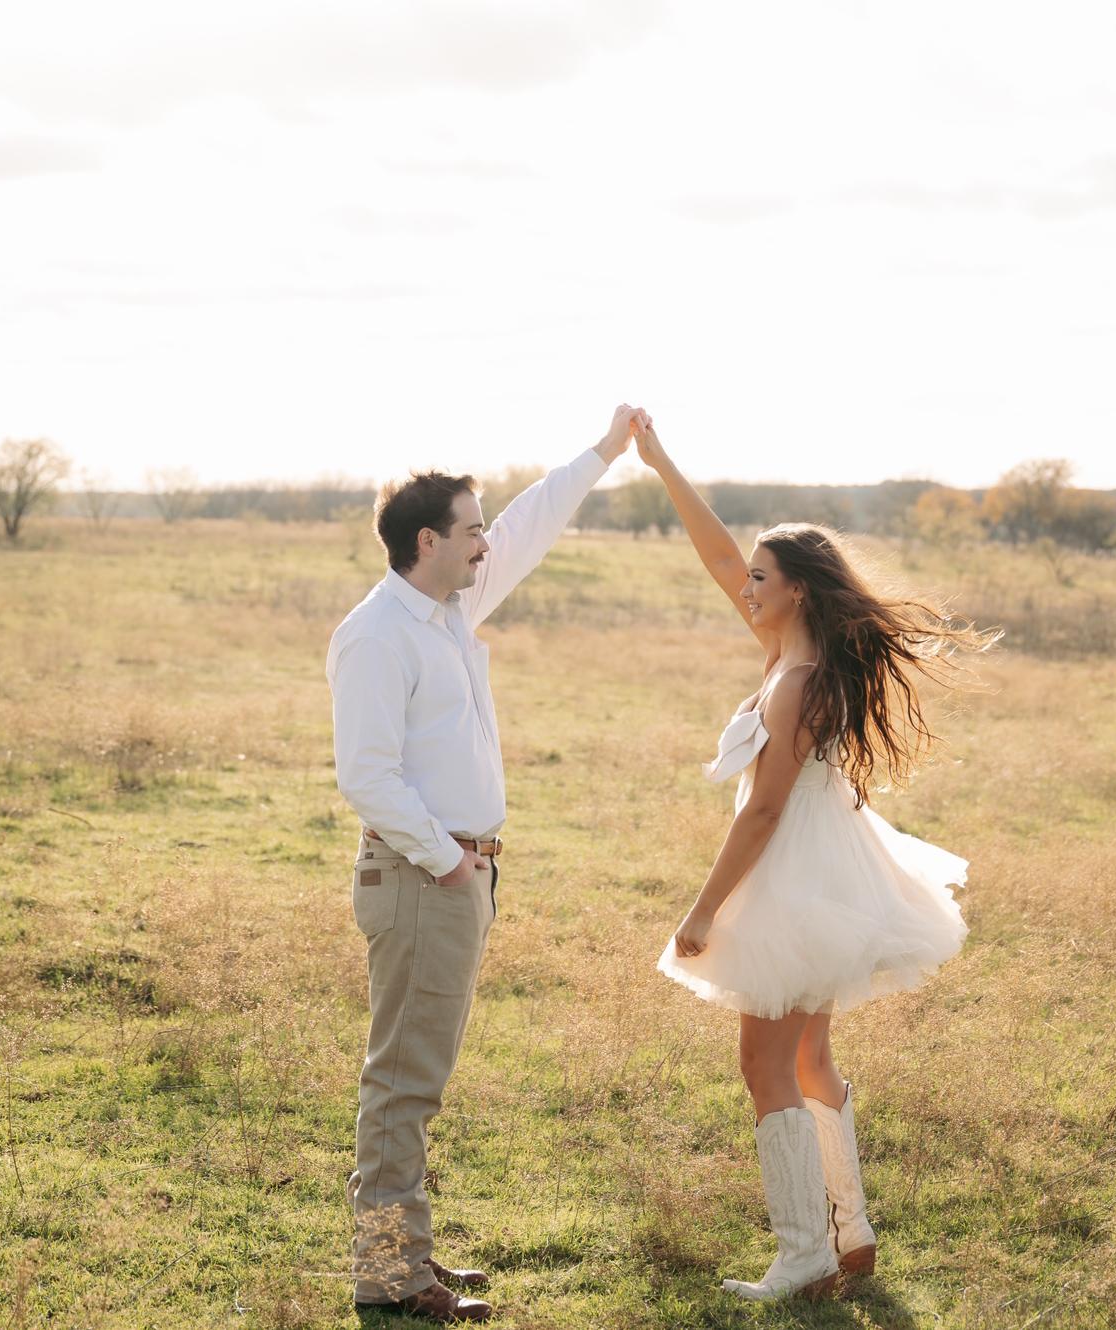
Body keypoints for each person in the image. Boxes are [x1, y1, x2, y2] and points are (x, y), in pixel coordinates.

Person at [638, 422, 992, 1302]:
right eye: (751, 577)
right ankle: (849, 1231)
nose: (745, 586)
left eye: (762, 578)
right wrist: (662, 464)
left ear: (795, 590)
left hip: (794, 877)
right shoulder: (794, 655)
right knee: (807, 1060)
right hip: (829, 873)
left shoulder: (795, 678)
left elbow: (763, 810)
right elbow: (721, 557)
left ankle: (804, 1255)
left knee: (765, 1067)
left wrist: (703, 911)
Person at [327, 403, 649, 1323]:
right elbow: (368, 776)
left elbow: (529, 524)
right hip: (421, 877)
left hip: (456, 876)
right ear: (426, 541)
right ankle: (390, 1275)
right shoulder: (377, 634)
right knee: (402, 1082)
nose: (485, 542)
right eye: (470, 530)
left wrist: (606, 450)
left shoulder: (452, 605)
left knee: (416, 1077)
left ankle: (404, 1253)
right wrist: (449, 865)